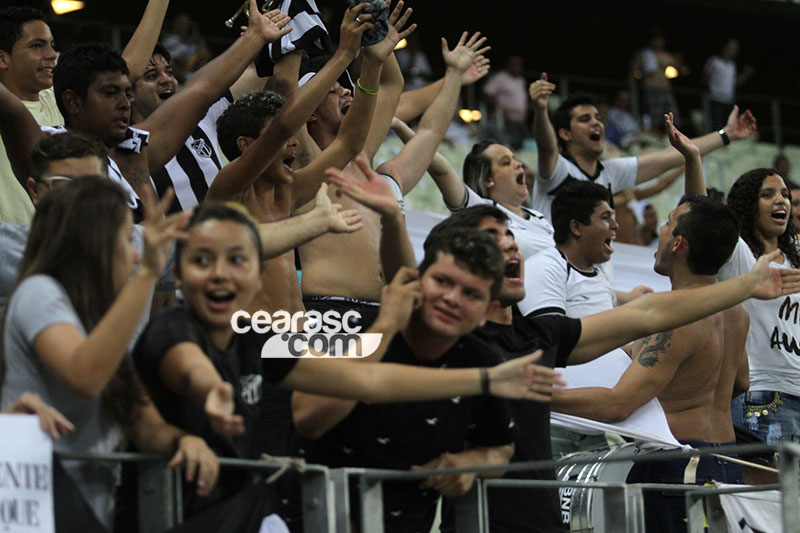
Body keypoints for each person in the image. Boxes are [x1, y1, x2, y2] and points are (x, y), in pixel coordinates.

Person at [324, 160, 800, 533]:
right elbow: (306, 380)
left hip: (548, 519)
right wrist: (389, 227)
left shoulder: (538, 336)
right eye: (493, 241)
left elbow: (648, 315)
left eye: (511, 237)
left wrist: (744, 286)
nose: (511, 248)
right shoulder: (447, 342)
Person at [131, 202, 558, 527]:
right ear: (180, 276)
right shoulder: (174, 327)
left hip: (242, 517)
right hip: (177, 515)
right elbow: (190, 367)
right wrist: (210, 394)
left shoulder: (258, 338)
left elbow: (369, 381)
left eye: (238, 261)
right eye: (203, 261)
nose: (222, 274)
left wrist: (487, 380)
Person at [551, 117, 749, 533]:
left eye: (665, 225)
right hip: (726, 465)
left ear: (678, 244)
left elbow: (617, 404)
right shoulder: (735, 311)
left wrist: (532, 395)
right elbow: (740, 384)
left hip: (677, 467)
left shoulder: (676, 315)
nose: (658, 232)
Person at [0, 177, 218, 530]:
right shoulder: (38, 293)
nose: (134, 254)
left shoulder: (102, 321)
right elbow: (85, 377)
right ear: (94, 244)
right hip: (31, 512)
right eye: (125, 239)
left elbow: (145, 426)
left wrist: (184, 441)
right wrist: (148, 273)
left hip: (85, 514)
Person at [528, 75, 757, 222]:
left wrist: (727, 134)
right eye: (585, 119)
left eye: (598, 117)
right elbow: (546, 146)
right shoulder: (556, 169)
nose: (596, 123)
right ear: (565, 133)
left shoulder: (610, 172)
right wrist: (540, 110)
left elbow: (671, 157)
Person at [391, 118, 554, 259]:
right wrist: (399, 125)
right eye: (506, 162)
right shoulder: (479, 210)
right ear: (488, 180)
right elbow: (441, 171)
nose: (519, 164)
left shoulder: (538, 217)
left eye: (516, 159)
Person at [721, 168, 800, 444]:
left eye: (785, 195)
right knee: (768, 487)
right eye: (768, 195)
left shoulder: (796, 255)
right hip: (761, 393)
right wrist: (693, 158)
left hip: (798, 389)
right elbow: (699, 215)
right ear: (747, 205)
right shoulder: (739, 253)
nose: (781, 201)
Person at [0, 6, 62, 223]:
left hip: (59, 247)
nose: (52, 54)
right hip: (8, 250)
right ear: (2, 58)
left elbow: (130, 67)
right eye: (38, 46)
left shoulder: (61, 100)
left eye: (52, 45)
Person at [629, 29, 685, 131]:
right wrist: (631, 89)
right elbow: (634, 71)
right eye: (656, 40)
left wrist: (679, 61)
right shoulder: (644, 54)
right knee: (654, 115)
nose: (658, 42)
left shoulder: (666, 55)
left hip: (665, 88)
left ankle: (673, 134)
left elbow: (681, 70)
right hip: (651, 88)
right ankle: (654, 134)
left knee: (672, 115)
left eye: (660, 40)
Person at [704, 38, 754, 130]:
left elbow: (733, 84)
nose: (734, 51)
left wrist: (745, 75)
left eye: (735, 49)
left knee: (730, 127)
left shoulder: (732, 65)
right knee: (716, 127)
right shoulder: (714, 61)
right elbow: (705, 78)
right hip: (716, 100)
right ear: (725, 47)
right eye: (732, 48)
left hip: (729, 101)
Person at [481, 55, 529, 149]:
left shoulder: (521, 80)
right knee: (507, 145)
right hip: (504, 121)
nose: (517, 67)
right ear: (508, 65)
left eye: (519, 65)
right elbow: (486, 92)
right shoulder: (500, 77)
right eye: (514, 64)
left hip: (520, 120)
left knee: (519, 145)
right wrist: (500, 106)